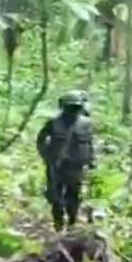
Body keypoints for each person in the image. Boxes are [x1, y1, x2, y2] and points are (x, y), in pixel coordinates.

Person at [36, 90, 95, 231]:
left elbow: (90, 143)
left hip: (76, 165)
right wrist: (46, 156)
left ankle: (72, 221)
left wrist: (91, 160)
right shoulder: (54, 123)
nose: (72, 111)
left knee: (74, 194)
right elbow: (41, 140)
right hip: (56, 164)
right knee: (55, 194)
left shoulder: (86, 124)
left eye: (75, 107)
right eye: (70, 107)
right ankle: (58, 223)